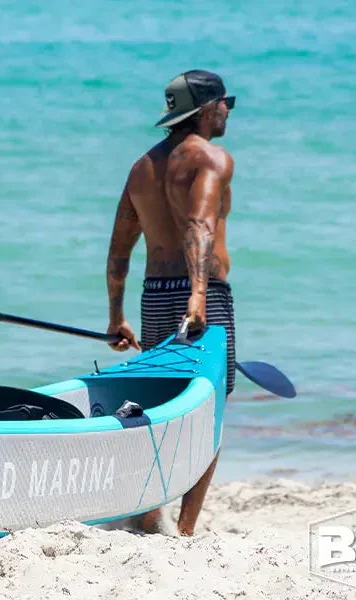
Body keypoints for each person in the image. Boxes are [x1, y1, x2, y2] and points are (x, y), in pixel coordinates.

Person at [104, 69, 236, 536]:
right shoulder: (212, 158)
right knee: (209, 405)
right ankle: (183, 531)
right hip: (203, 297)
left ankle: (146, 517)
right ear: (206, 109)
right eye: (227, 103)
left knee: (160, 403)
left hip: (153, 298)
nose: (228, 111)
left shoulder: (141, 167)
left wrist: (116, 316)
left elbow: (120, 248)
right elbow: (199, 226)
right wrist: (199, 297)